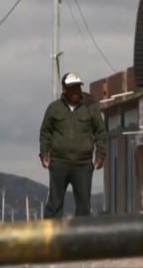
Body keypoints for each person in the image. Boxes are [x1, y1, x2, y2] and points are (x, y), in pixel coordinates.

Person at [40, 72, 105, 218]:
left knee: (84, 206)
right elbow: (45, 133)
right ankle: (51, 237)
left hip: (83, 165)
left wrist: (100, 154)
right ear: (64, 89)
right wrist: (44, 153)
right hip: (59, 163)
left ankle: (82, 239)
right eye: (72, 87)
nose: (76, 91)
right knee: (54, 204)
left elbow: (100, 132)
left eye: (77, 87)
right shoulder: (54, 108)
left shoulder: (91, 108)